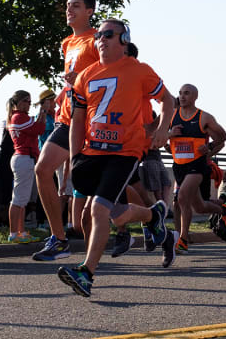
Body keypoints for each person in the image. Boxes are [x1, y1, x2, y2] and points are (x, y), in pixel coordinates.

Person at [57, 18, 176, 297]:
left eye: (109, 34)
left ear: (124, 40)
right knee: (118, 215)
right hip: (92, 152)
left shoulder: (139, 70)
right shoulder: (86, 76)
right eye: (98, 35)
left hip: (125, 152)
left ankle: (86, 273)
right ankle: (153, 215)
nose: (101, 39)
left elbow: (167, 101)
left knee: (97, 210)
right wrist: (74, 158)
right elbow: (77, 121)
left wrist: (162, 130)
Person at [33, 0, 100, 262]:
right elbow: (71, 81)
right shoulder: (67, 43)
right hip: (67, 118)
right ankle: (59, 239)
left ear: (90, 12)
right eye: (68, 6)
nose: (69, 10)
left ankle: (149, 216)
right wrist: (62, 95)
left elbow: (111, 75)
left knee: (106, 188)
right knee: (42, 169)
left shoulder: (97, 39)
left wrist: (81, 77)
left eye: (76, 6)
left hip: (92, 121)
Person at [168, 84, 226, 253]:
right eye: (180, 93)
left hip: (197, 165)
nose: (182, 96)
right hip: (179, 166)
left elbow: (223, 137)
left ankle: (183, 239)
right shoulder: (171, 117)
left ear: (195, 97)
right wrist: (169, 135)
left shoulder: (204, 117)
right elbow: (158, 140)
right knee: (200, 207)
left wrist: (209, 147)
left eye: (186, 93)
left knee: (181, 197)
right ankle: (224, 209)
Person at [6, 91, 46, 243]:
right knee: (18, 199)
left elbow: (37, 129)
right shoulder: (19, 117)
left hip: (24, 158)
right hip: (23, 158)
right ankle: (14, 233)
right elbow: (39, 129)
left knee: (22, 199)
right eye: (26, 101)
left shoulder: (16, 117)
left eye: (30, 101)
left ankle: (21, 231)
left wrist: (41, 113)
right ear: (18, 102)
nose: (29, 104)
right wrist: (42, 112)